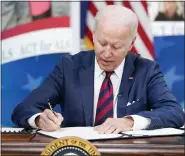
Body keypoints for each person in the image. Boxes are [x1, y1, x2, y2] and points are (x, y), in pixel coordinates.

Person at [12, 5, 184, 134]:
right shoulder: (69, 66)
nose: (106, 53)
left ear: (131, 44)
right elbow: (23, 109)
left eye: (116, 46)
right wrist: (39, 119)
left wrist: (130, 122)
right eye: (102, 43)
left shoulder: (146, 70)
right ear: (93, 34)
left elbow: (174, 112)